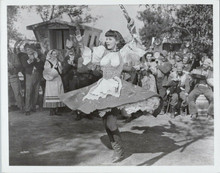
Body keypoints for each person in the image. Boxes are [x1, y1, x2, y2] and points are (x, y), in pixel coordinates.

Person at [60, 19, 162, 163]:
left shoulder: (123, 52)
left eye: (110, 39)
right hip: (102, 87)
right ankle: (118, 150)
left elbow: (135, 40)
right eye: (106, 38)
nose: (107, 41)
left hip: (115, 89)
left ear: (117, 40)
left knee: (111, 123)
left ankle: (119, 151)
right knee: (106, 122)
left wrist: (131, 27)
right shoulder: (102, 52)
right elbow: (88, 57)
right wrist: (80, 42)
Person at [19, 44, 44, 115]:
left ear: (33, 50)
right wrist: (32, 59)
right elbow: (25, 65)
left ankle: (33, 107)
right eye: (27, 50)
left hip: (37, 75)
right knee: (28, 92)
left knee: (36, 92)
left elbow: (41, 66)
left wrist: (37, 59)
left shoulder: (38, 56)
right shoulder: (24, 57)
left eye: (30, 49)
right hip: (29, 75)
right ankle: (27, 109)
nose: (28, 51)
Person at [43, 49, 65, 116]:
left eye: (56, 54)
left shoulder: (58, 62)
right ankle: (51, 110)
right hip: (51, 80)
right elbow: (46, 72)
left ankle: (56, 110)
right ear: (51, 54)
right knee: (51, 93)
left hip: (57, 79)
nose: (55, 55)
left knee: (57, 93)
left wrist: (59, 67)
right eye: (53, 54)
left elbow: (61, 72)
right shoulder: (47, 62)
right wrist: (53, 69)